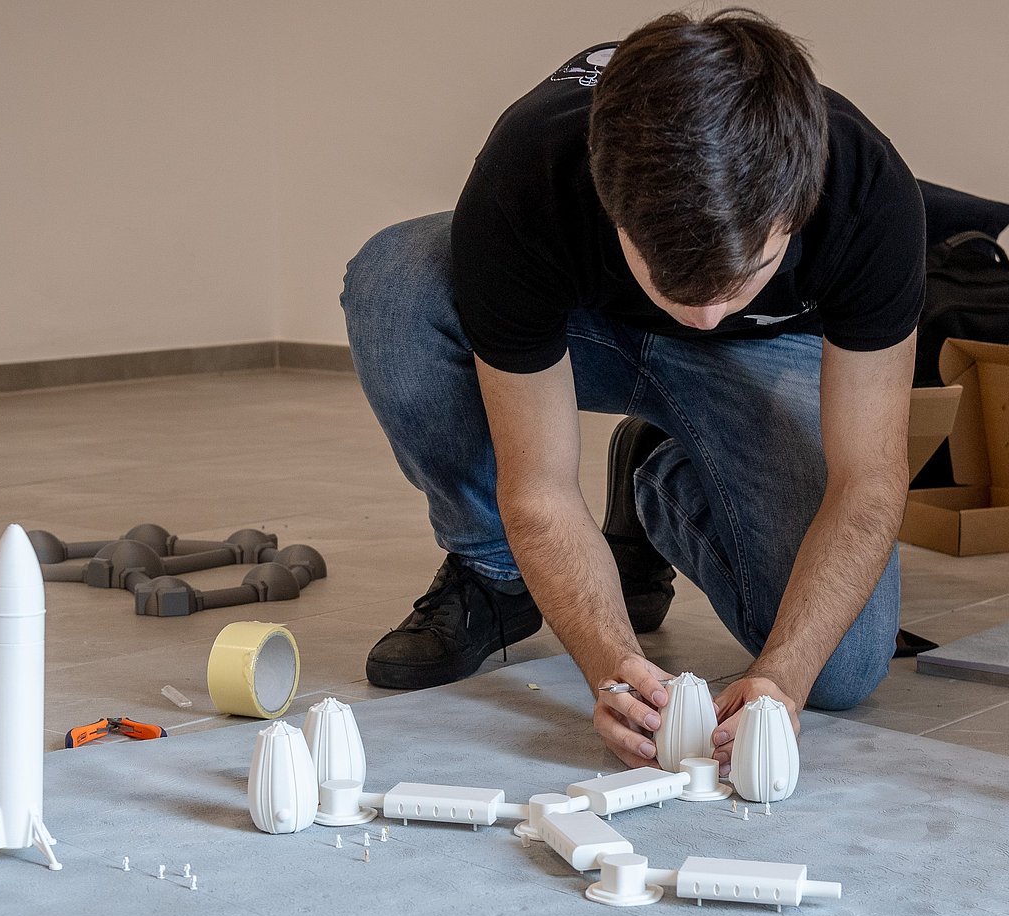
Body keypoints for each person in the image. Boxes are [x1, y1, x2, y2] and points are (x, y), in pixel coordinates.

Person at [341, 8, 922, 771]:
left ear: (796, 208)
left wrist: (783, 677)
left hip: (766, 354)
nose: (709, 313)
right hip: (588, 331)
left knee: (841, 669)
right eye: (669, 277)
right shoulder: (530, 174)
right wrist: (614, 669)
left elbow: (869, 482)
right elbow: (539, 486)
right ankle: (494, 575)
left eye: (747, 274)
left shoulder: (866, 190)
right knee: (398, 282)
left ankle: (662, 476)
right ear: (611, 204)